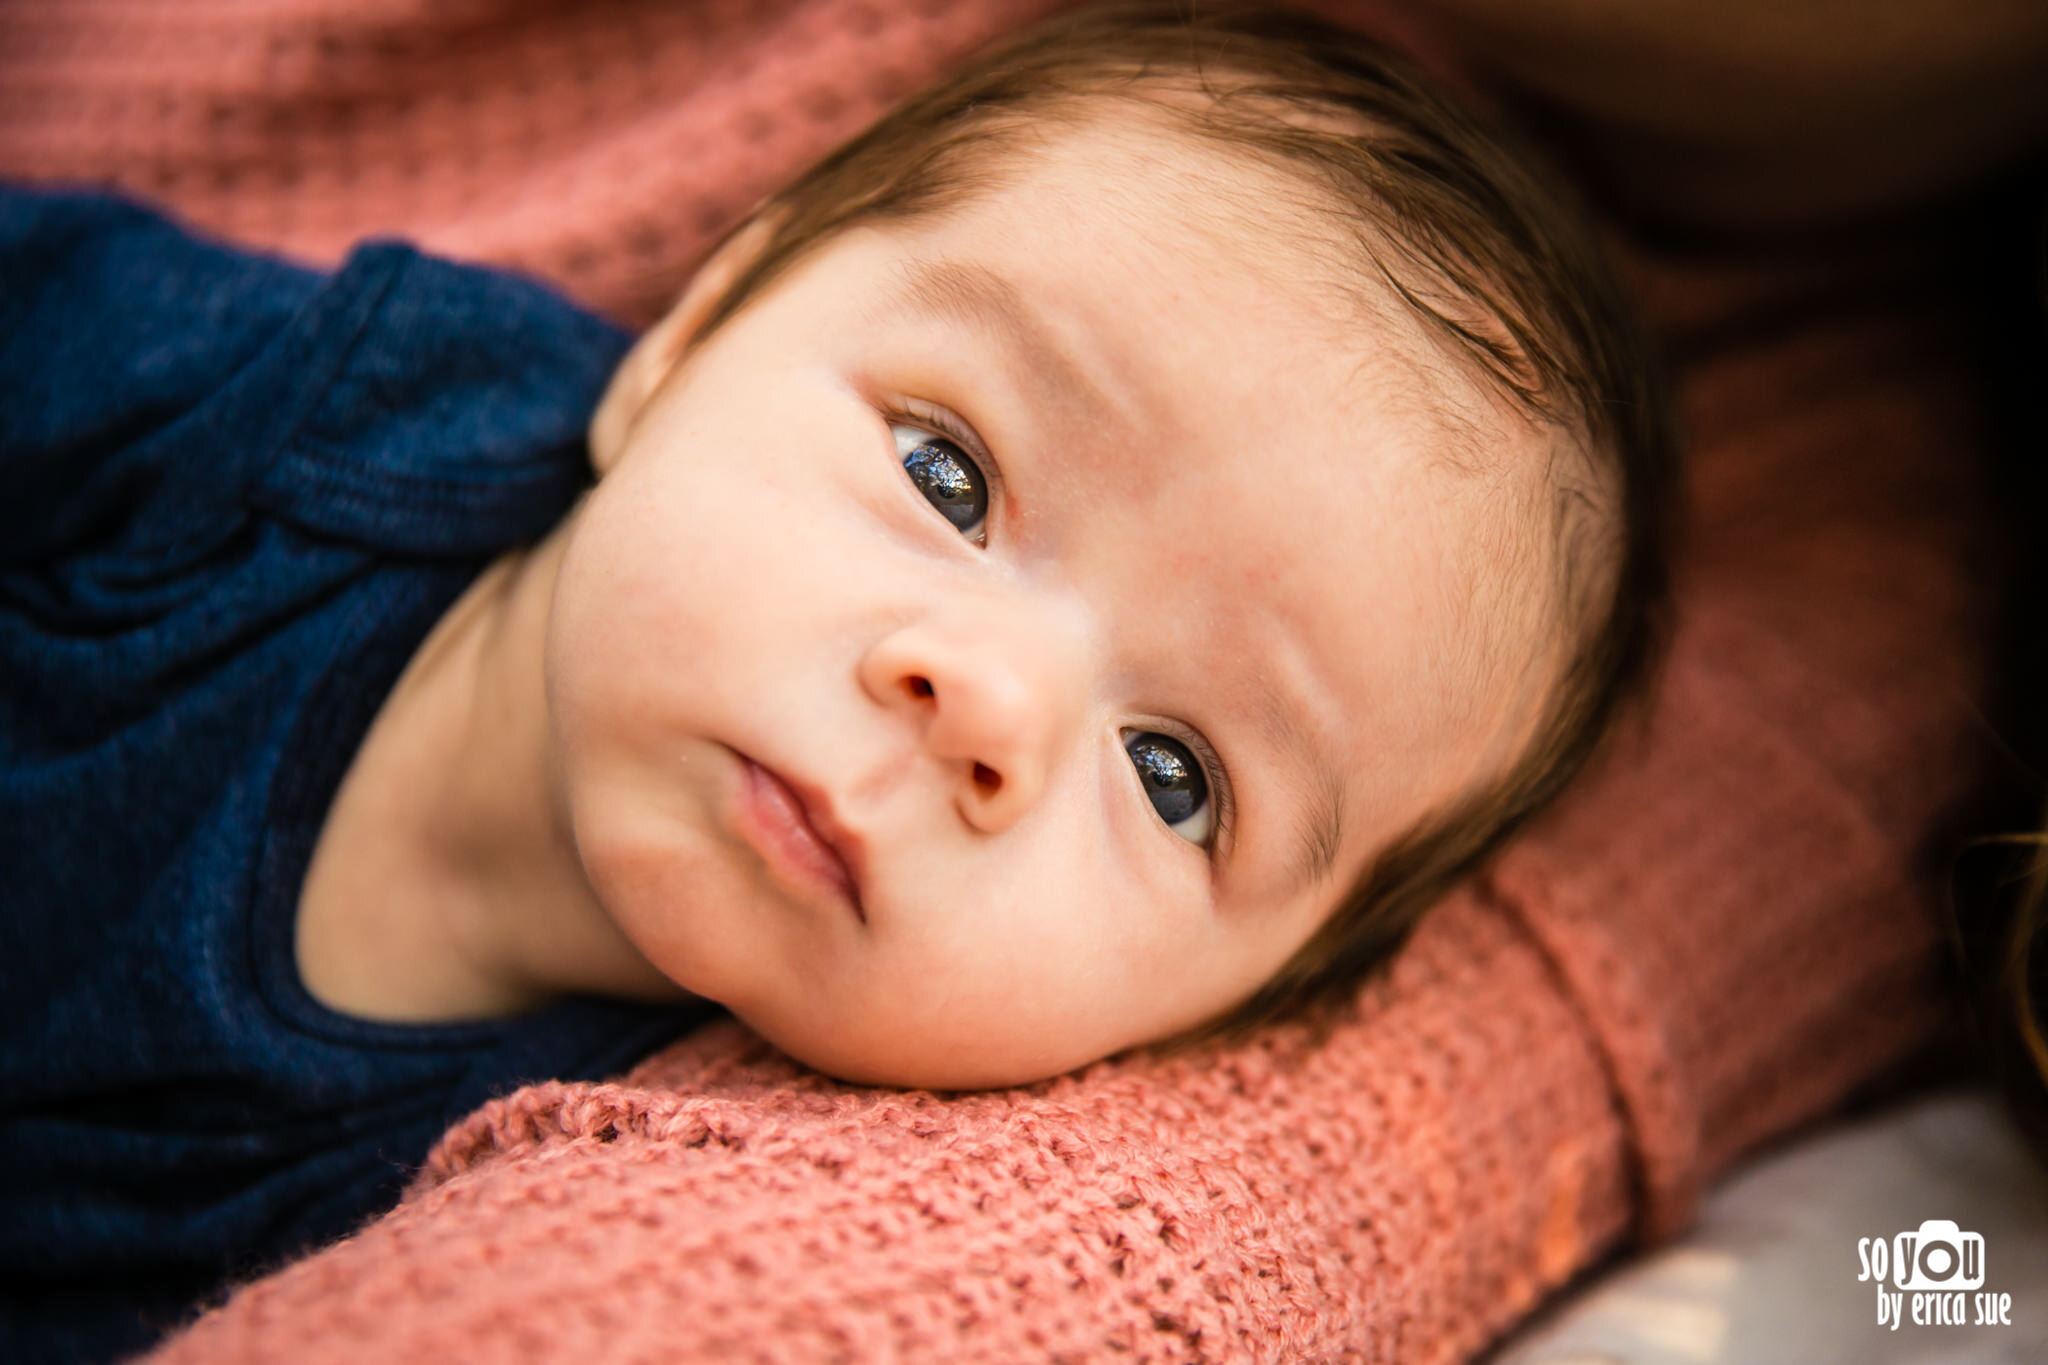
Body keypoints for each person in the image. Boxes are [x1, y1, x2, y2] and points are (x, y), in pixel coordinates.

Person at [0, 2, 1670, 1359]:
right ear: (689, 337)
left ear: (1235, 1013)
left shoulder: (631, 1176)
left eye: (1178, 777)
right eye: (950, 476)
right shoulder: (328, 420)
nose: (989, 700)